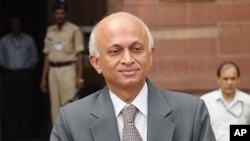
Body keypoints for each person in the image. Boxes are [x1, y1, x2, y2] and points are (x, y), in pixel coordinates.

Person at [50, 11, 216, 141]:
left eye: (136, 49)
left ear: (150, 55)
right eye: (115, 51)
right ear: (96, 63)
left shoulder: (191, 113)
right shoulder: (71, 121)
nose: (128, 60)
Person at [40, 0, 85, 125]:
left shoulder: (74, 30)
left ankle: (72, 134)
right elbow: (47, 56)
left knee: (70, 104)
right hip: (53, 71)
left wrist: (79, 77)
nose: (59, 16)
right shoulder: (50, 31)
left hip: (68, 70)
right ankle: (58, 136)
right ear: (53, 15)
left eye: (61, 13)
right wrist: (43, 78)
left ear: (66, 14)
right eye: (56, 13)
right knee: (55, 106)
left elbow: (79, 55)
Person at [0, 16, 38, 140]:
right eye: (13, 24)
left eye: (17, 24)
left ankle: (25, 132)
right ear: (10, 26)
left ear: (21, 25)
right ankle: (12, 133)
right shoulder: (4, 40)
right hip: (9, 75)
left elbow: (34, 57)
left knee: (26, 105)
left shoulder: (28, 39)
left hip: (24, 74)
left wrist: (28, 69)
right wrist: (6, 67)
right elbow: (1, 57)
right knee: (11, 105)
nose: (15, 26)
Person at [200, 61, 250, 141]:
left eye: (233, 78)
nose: (229, 82)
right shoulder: (205, 101)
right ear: (218, 80)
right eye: (225, 79)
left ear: (238, 80)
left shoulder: (248, 101)